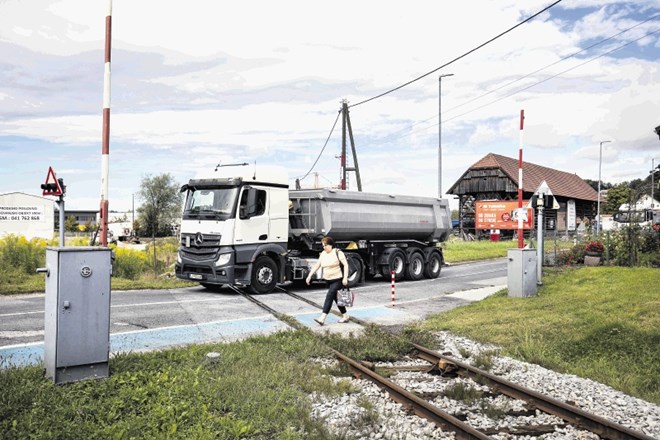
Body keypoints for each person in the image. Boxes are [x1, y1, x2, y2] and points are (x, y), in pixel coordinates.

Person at [305, 235, 349, 325]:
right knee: (337, 299)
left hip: (338, 279)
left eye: (325, 245)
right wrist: (309, 276)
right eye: (323, 246)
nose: (324, 247)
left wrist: (345, 278)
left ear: (331, 245)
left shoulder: (337, 252)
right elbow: (317, 265)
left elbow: (346, 265)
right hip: (328, 280)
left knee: (329, 295)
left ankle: (322, 317)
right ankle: (345, 316)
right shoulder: (323, 254)